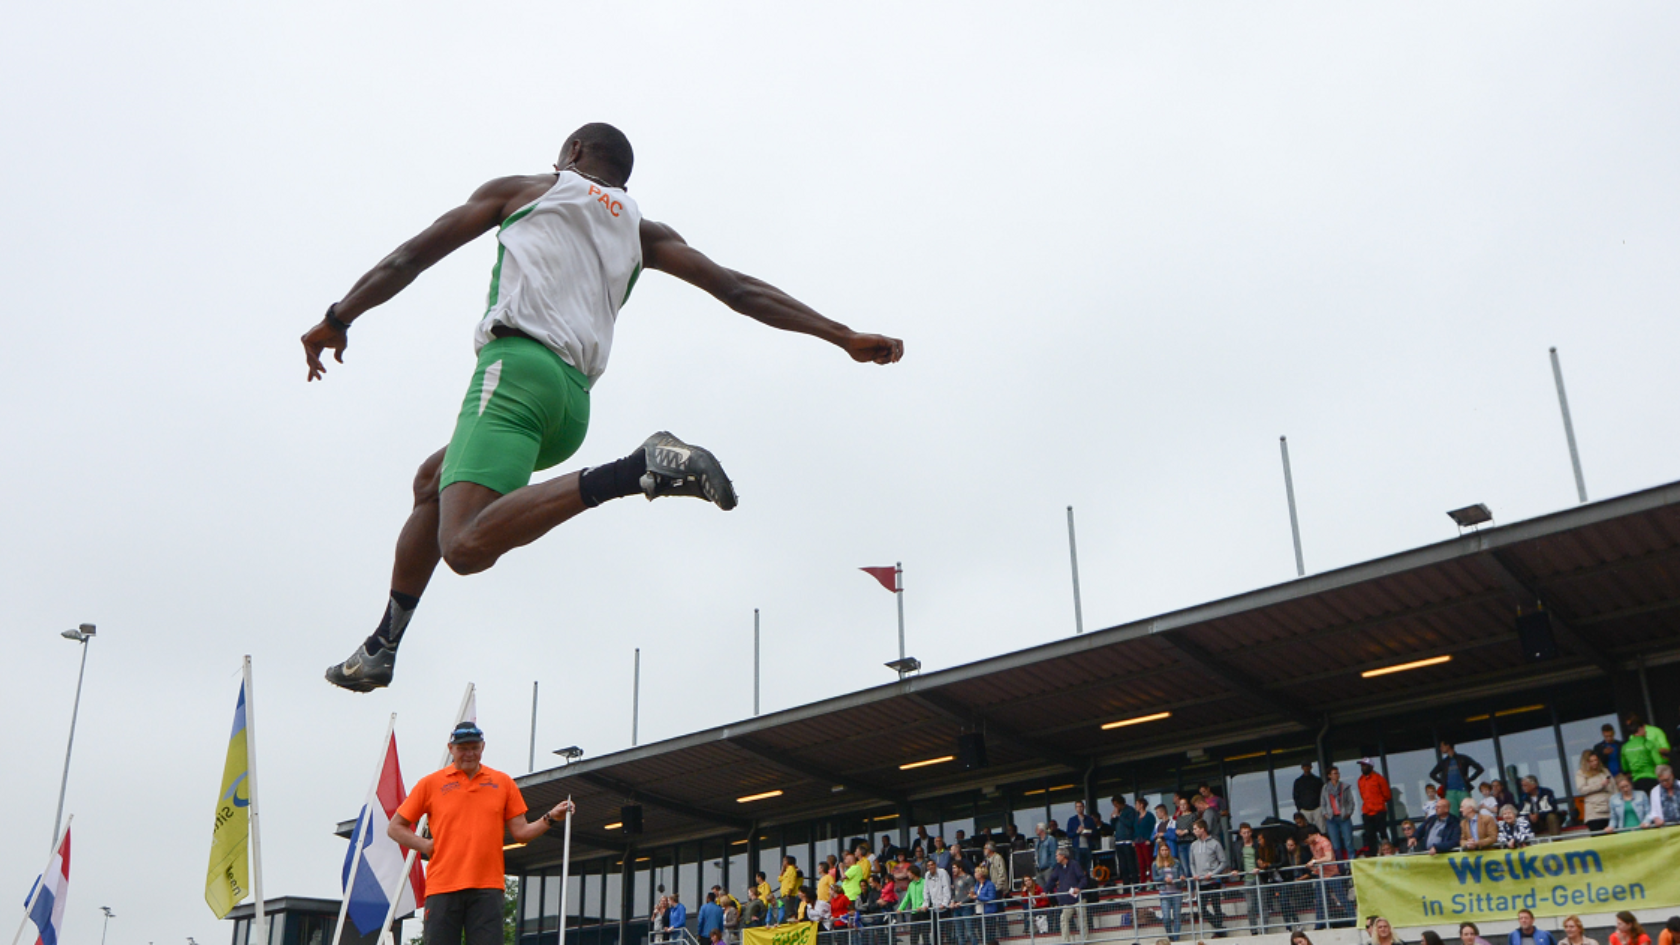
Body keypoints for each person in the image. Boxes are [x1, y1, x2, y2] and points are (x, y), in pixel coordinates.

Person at [309, 123, 905, 692]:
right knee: (432, 481)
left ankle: (637, 469)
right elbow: (740, 291)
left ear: (571, 151)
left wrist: (338, 318)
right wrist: (841, 335)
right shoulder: (645, 231)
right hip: (569, 409)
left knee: (463, 545)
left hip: (514, 373)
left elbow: (408, 259)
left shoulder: (525, 191)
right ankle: (383, 645)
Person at [389, 721, 572, 945]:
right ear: (451, 749)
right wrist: (425, 845)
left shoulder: (502, 782)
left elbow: (521, 833)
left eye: (474, 747)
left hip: (487, 887)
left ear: (483, 747)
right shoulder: (430, 784)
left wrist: (551, 817)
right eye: (463, 748)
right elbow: (395, 827)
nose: (469, 753)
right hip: (443, 886)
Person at [1187, 820, 1228, 934]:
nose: (1194, 831)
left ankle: (1219, 929)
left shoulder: (1215, 843)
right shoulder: (1193, 845)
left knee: (1216, 906)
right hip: (1200, 882)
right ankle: (1219, 927)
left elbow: (1223, 862)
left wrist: (1213, 873)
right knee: (1201, 908)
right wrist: (1194, 873)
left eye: (1195, 829)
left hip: (1213, 881)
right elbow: (1191, 863)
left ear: (1202, 829)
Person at [1430, 742, 1486, 812]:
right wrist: (1443, 782)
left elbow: (1479, 769)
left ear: (1448, 746)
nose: (1440, 748)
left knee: (1469, 812)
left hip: (1463, 790)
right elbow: (1432, 774)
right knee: (1453, 816)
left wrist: (1470, 779)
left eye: (1442, 746)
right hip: (1450, 792)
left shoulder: (1463, 758)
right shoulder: (1444, 762)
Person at [1046, 847, 1086, 944]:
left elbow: (1083, 879)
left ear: (1063, 856)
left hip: (1078, 899)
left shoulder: (1074, 864)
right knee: (1063, 920)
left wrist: (1079, 888)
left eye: (1057, 855)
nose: (1056, 857)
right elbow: (1052, 880)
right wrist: (1045, 890)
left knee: (1082, 921)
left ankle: (1085, 941)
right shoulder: (1058, 868)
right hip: (1067, 901)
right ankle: (1066, 942)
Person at [1623, 715, 1672, 793]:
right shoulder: (1648, 743)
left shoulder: (1625, 747)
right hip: (1652, 777)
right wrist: (1666, 760)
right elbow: (1659, 762)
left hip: (1636, 780)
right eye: (1644, 729)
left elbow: (1625, 767)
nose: (1646, 731)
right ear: (1640, 729)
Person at [1320, 766, 1357, 860]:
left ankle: (1351, 864)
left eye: (1338, 773)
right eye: (1335, 773)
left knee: (1348, 842)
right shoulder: (1325, 788)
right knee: (1335, 845)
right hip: (1331, 819)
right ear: (1329, 776)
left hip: (1344, 817)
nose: (1337, 775)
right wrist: (1325, 814)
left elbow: (1351, 801)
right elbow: (1323, 803)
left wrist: (1349, 812)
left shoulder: (1344, 787)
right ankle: (1341, 867)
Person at [1356, 759, 1393, 853]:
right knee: (1370, 836)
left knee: (1383, 833)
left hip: (1379, 811)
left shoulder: (1379, 778)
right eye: (1362, 766)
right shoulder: (1360, 780)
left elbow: (1387, 795)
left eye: (1365, 765)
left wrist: (1378, 802)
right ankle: (1374, 855)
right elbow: (1362, 795)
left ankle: (1387, 852)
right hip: (1367, 811)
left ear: (1371, 767)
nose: (1362, 767)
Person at [1151, 841, 1185, 942]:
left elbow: (1182, 872)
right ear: (1159, 851)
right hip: (1164, 892)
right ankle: (1170, 936)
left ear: (1169, 851)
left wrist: (1182, 876)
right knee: (1166, 917)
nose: (1164, 852)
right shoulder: (1155, 864)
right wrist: (1164, 878)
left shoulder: (1176, 862)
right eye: (1162, 850)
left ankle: (1176, 939)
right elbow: (1154, 878)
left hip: (1176, 891)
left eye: (1166, 850)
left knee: (1177, 915)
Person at [1577, 749, 1615, 832]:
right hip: (1594, 814)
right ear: (1586, 762)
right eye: (1591, 761)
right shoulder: (1581, 773)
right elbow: (1582, 789)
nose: (1595, 763)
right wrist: (1600, 785)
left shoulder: (1604, 771)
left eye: (1596, 760)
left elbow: (1614, 788)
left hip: (1610, 810)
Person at [1112, 795, 1140, 886]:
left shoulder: (1130, 811)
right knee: (1122, 865)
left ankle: (1135, 882)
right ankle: (1126, 884)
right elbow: (1113, 827)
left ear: (1120, 803)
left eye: (1116, 805)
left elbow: (1130, 824)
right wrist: (1113, 818)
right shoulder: (1117, 813)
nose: (1115, 807)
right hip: (1118, 841)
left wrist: (1120, 816)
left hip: (1127, 840)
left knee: (1131, 863)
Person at [1066, 800, 1099, 873]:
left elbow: (1095, 832)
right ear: (1075, 808)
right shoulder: (1072, 820)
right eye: (1078, 807)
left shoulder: (1089, 820)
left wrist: (1087, 832)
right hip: (1077, 847)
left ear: (1084, 807)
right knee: (1078, 867)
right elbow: (1069, 834)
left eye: (1081, 806)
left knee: (1088, 866)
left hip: (1087, 846)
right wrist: (1077, 832)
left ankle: (1088, 882)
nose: (1079, 808)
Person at [1293, 763, 1325, 830]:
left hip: (1317, 808)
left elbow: (1323, 794)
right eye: (1304, 766)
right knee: (1306, 830)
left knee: (1322, 829)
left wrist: (1322, 806)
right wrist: (1300, 808)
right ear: (1302, 768)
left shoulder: (1317, 780)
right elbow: (1296, 796)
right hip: (1305, 810)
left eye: (1307, 766)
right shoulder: (1298, 782)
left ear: (1311, 767)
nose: (1306, 768)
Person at [973, 866, 999, 945]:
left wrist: (978, 897)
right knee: (982, 934)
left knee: (990, 935)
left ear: (981, 874)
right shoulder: (977, 885)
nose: (975, 874)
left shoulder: (990, 884)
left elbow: (991, 898)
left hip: (988, 912)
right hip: (979, 912)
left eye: (976, 872)